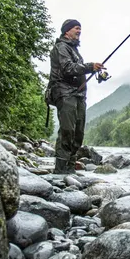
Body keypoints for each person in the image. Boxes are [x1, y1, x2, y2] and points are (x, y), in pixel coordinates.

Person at [47, 19, 103, 174]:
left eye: (80, 29)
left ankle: (70, 169)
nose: (79, 31)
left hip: (78, 95)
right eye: (77, 28)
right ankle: (60, 171)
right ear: (67, 31)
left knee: (78, 133)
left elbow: (76, 69)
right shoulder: (61, 47)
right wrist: (90, 66)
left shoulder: (74, 51)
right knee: (67, 131)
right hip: (64, 94)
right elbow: (67, 68)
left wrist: (92, 70)